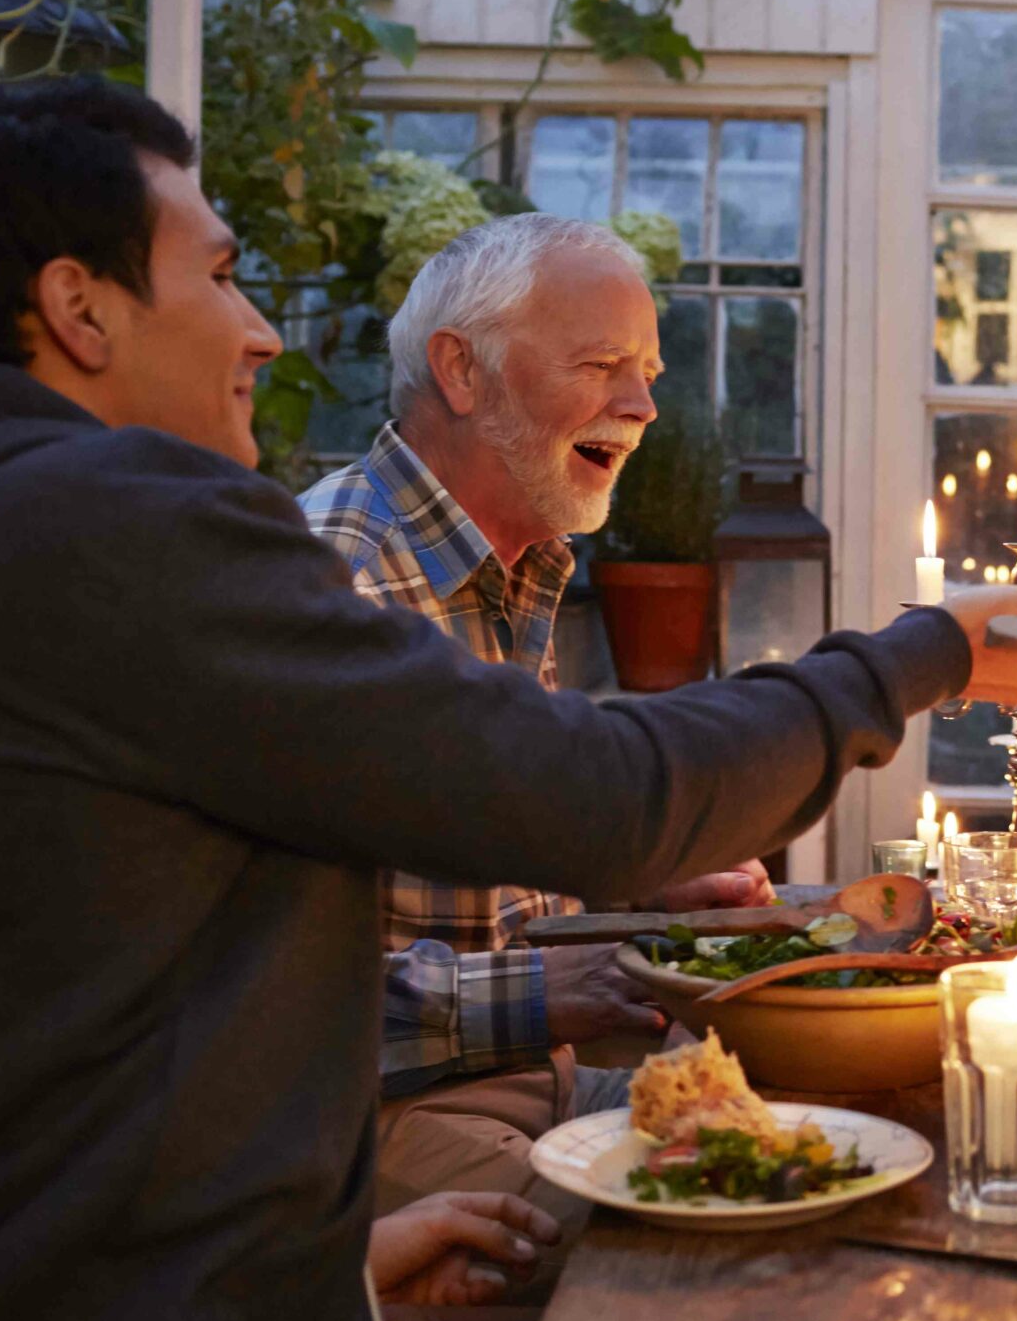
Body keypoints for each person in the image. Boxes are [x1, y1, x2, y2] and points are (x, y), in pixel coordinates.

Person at [0, 79, 1017, 1321]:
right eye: (226, 275)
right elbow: (594, 789)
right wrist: (917, 656)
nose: (257, 331)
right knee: (789, 1311)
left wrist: (333, 1264)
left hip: (97, 1311)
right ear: (78, 307)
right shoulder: (125, 525)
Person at [299, 214, 770, 1222]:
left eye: (647, 369)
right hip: (362, 1122)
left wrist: (648, 881)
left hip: (525, 1081)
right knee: (716, 1245)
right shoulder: (339, 582)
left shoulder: (513, 562)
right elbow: (272, 990)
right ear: (461, 373)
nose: (642, 407)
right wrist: (549, 994)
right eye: (603, 364)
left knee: (819, 1129)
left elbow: (458, 875)